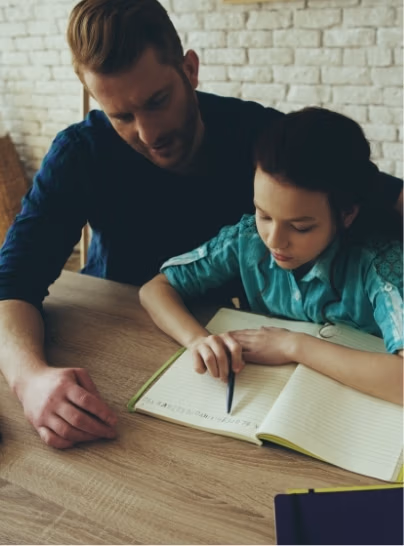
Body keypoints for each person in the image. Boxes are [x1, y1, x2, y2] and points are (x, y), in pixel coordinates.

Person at [0, 0, 402, 449]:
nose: (148, 134)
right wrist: (29, 379)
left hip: (233, 346)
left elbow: (381, 192)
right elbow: (13, 279)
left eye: (158, 102)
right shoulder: (78, 153)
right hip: (119, 335)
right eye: (121, 116)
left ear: (189, 69)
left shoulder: (261, 138)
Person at [139, 107, 403, 406]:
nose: (274, 241)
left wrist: (294, 345)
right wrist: (198, 341)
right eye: (264, 214)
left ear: (347, 215)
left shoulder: (382, 264)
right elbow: (155, 289)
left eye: (300, 227)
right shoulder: (247, 239)